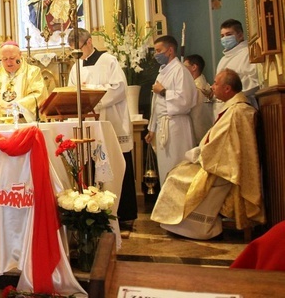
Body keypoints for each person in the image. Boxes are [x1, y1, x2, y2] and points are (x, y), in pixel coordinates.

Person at [151, 69, 265, 240]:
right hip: (218, 162)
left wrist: (198, 154)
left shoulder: (238, 111)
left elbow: (226, 146)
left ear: (227, 89)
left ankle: (193, 228)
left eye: (216, 83)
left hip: (222, 168)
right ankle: (178, 225)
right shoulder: (232, 108)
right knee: (176, 172)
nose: (212, 86)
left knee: (176, 178)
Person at [67, 28, 137, 223]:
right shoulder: (76, 67)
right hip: (88, 123)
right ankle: (94, 211)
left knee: (117, 163)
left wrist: (93, 98)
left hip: (110, 121)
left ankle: (124, 214)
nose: (76, 54)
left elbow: (119, 89)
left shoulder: (109, 61)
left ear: (89, 42)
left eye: (78, 48)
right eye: (72, 50)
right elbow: (72, 92)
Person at [145, 35, 197, 186]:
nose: (156, 55)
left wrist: (163, 91)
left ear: (170, 50)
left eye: (159, 50)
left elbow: (186, 100)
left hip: (177, 125)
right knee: (165, 169)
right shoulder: (163, 71)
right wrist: (152, 128)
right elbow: (157, 104)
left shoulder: (180, 70)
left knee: (178, 167)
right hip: (164, 125)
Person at [0, 41, 48, 124]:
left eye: (12, 58)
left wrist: (19, 106)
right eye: (5, 59)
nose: (8, 62)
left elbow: (38, 94)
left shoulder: (32, 72)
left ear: (20, 55)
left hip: (24, 124)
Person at [212, 19, 260, 116]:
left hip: (242, 107)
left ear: (240, 35)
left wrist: (229, 90)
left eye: (229, 34)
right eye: (222, 36)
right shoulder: (223, 60)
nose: (225, 38)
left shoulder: (248, 53)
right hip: (224, 107)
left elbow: (255, 81)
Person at [183, 54, 214, 145]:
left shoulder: (197, 88)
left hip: (197, 133)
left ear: (194, 67)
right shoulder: (203, 84)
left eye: (185, 67)